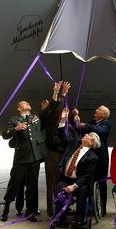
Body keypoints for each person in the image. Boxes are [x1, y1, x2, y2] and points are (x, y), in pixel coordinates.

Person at [0, 86, 58, 222]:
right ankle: (6, 209)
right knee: (14, 184)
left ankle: (31, 211)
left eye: (28, 103)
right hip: (21, 158)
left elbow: (49, 110)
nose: (28, 104)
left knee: (32, 186)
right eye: (25, 103)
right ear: (19, 108)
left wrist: (55, 92)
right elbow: (5, 135)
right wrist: (16, 128)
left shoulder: (36, 118)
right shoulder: (14, 120)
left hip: (34, 157)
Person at [53, 109, 100, 229]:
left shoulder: (92, 158)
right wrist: (63, 120)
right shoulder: (74, 144)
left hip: (79, 182)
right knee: (59, 187)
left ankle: (80, 218)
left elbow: (87, 176)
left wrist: (74, 186)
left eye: (88, 135)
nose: (85, 134)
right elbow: (63, 136)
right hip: (65, 178)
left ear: (91, 143)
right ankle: (60, 217)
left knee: (82, 190)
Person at [42, 81, 73, 217]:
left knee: (59, 182)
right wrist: (62, 94)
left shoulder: (59, 121)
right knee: (53, 181)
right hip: (54, 153)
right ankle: (52, 208)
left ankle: (60, 205)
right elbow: (55, 108)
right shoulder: (51, 119)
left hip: (60, 153)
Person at [74, 105, 111, 216]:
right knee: (89, 181)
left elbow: (99, 131)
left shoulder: (106, 124)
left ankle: (102, 208)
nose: (96, 110)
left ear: (103, 115)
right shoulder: (92, 122)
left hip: (101, 159)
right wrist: (76, 119)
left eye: (98, 109)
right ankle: (90, 206)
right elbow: (81, 130)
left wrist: (85, 125)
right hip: (90, 157)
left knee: (101, 182)